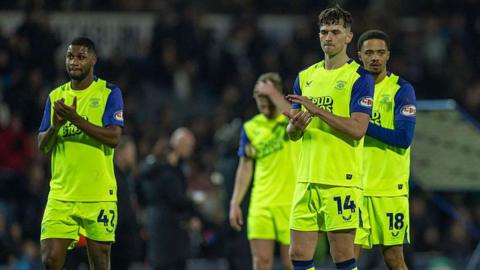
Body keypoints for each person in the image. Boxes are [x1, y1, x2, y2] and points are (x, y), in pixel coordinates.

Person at [284, 5, 374, 270]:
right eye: (324, 32)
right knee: (298, 254)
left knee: (342, 256)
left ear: (348, 36)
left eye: (336, 32)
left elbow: (359, 128)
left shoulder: (359, 77)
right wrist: (296, 126)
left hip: (341, 180)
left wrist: (317, 111)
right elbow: (291, 134)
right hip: (306, 178)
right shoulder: (305, 77)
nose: (328, 37)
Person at [38, 37, 124, 270]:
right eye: (70, 57)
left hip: (98, 195)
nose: (74, 62)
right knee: (50, 260)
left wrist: (76, 119)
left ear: (93, 60)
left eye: (81, 57)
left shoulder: (109, 93)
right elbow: (42, 145)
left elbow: (114, 137)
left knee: (99, 263)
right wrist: (55, 126)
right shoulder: (56, 97)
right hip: (61, 195)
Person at [354, 30, 416, 270]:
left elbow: (403, 137)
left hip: (390, 189)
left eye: (380, 52)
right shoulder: (353, 88)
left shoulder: (401, 89)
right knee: (348, 257)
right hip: (356, 185)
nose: (375, 58)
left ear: (388, 55)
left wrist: (361, 125)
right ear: (359, 56)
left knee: (393, 259)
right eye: (369, 53)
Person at [229, 72, 299, 270]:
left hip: (291, 202)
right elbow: (245, 166)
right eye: (260, 101)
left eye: (268, 99)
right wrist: (235, 202)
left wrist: (273, 94)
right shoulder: (251, 127)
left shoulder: (289, 120)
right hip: (261, 203)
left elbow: (297, 118)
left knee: (292, 262)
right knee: (261, 262)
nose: (264, 106)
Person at [139, 127, 200, 270]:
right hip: (169, 231)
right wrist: (193, 207)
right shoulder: (167, 172)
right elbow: (177, 198)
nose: (191, 150)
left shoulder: (152, 170)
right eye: (189, 146)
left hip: (158, 225)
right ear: (178, 145)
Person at [112, 136, 140, 270]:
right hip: (116, 242)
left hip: (125, 242)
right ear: (121, 152)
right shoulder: (112, 175)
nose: (134, 156)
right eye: (131, 152)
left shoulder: (128, 176)